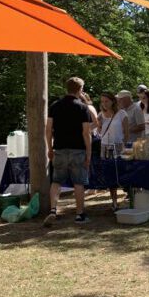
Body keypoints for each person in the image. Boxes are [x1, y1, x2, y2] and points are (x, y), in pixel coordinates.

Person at [43, 77, 93, 226]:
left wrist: (49, 148)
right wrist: (89, 153)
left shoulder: (55, 106)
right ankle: (79, 215)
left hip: (59, 148)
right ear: (80, 90)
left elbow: (48, 130)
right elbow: (86, 132)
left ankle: (53, 210)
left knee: (56, 181)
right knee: (78, 183)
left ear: (67, 88)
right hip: (78, 150)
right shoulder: (82, 107)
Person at [98, 92, 129, 212]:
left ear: (112, 101)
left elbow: (126, 133)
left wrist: (124, 147)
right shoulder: (101, 115)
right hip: (105, 147)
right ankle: (114, 202)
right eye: (102, 101)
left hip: (118, 146)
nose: (104, 104)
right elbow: (98, 131)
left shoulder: (122, 114)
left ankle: (127, 197)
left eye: (106, 101)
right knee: (110, 174)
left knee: (121, 173)